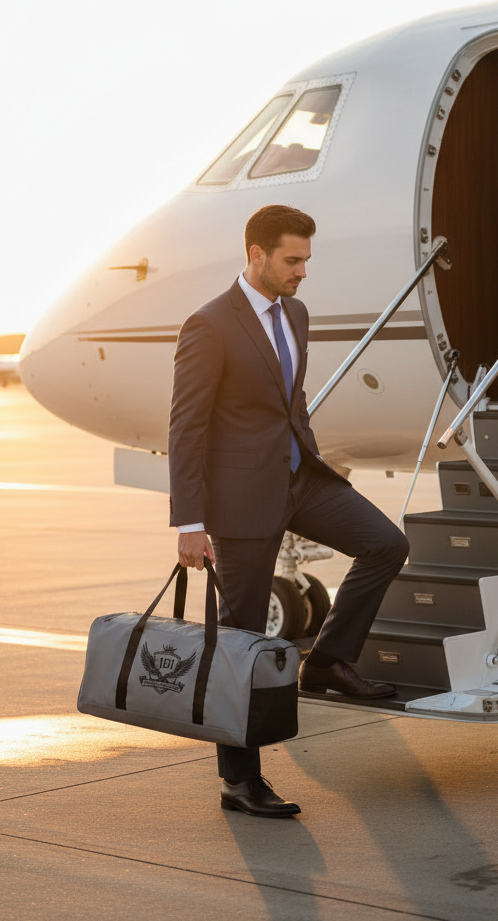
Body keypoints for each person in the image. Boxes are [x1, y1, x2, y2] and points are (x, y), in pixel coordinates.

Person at [168, 204, 410, 819]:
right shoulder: (209, 325)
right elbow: (187, 427)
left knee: (386, 544)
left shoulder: (295, 314)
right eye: (292, 260)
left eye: (306, 260)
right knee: (242, 638)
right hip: (242, 499)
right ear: (256, 255)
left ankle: (327, 662)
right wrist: (190, 522)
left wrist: (307, 454)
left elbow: (290, 400)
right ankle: (238, 779)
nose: (303, 272)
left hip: (302, 479)